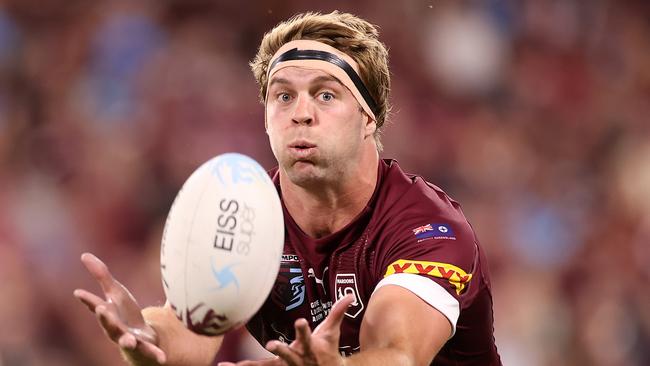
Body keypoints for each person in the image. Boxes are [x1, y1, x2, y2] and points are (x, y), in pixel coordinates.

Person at [74, 11, 502, 366]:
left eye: (326, 95)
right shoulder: (246, 214)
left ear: (369, 118)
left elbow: (396, 352)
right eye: (282, 96)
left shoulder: (429, 229)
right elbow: (193, 328)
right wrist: (149, 340)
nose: (301, 113)